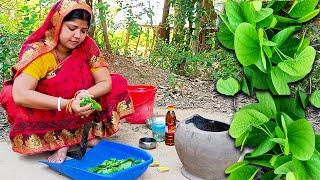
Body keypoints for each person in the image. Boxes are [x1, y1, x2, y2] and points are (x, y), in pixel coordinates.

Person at [0, 0, 134, 163]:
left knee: (118, 82)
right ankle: (60, 142)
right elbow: (21, 94)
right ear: (57, 24)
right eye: (72, 28)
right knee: (12, 97)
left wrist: (86, 94)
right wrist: (68, 104)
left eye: (83, 30)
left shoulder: (87, 45)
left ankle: (87, 133)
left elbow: (105, 82)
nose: (78, 36)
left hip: (81, 101)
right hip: (52, 106)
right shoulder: (40, 51)